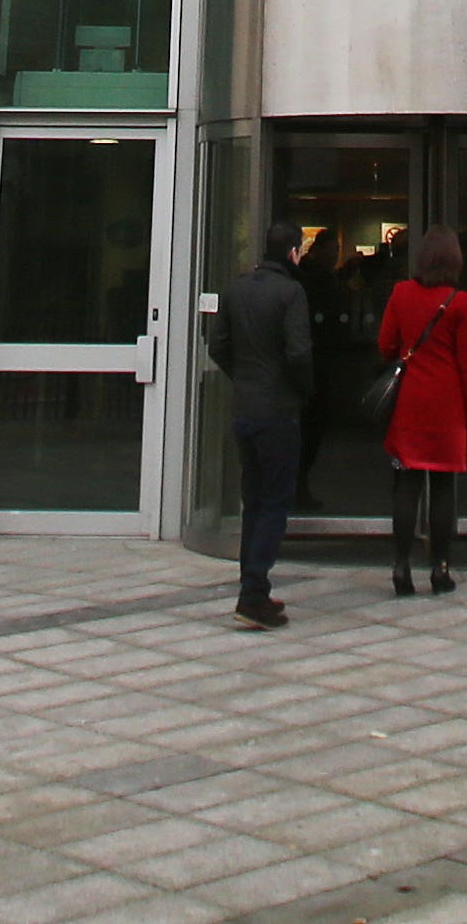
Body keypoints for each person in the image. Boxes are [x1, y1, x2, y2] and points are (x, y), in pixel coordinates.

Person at [212, 221, 313, 629]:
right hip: (278, 411)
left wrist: (245, 378)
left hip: (246, 409)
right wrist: (303, 392)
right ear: (291, 252)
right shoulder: (291, 293)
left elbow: (218, 345)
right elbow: (299, 352)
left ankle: (251, 586)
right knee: (274, 503)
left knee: (252, 502)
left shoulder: (236, 289)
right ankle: (253, 592)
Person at [373, 222, 467, 596]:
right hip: (447, 403)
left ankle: (401, 565)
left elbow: (385, 344)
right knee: (444, 486)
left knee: (407, 483)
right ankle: (440, 568)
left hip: (410, 400)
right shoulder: (460, 302)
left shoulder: (401, 293)